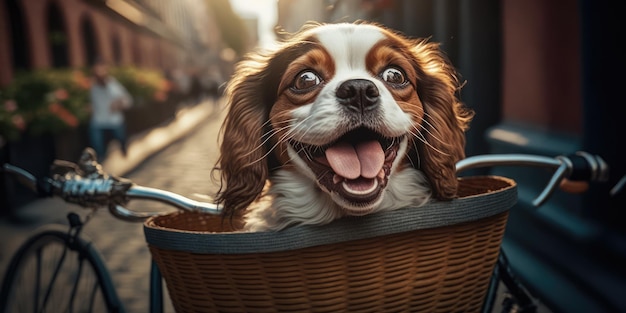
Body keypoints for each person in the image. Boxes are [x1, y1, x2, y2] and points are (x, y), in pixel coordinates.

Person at [88, 60, 132, 161]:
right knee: (97, 144)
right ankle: (101, 160)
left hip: (114, 119)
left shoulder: (113, 85)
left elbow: (127, 100)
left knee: (121, 138)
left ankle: (124, 150)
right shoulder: (91, 86)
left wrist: (119, 104)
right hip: (98, 120)